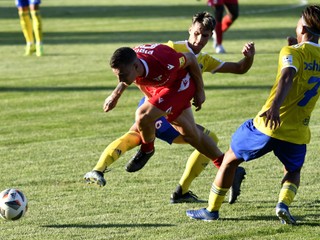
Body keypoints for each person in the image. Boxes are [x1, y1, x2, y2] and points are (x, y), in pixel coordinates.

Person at [84, 12, 255, 204]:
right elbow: (132, 70)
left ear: (211, 36)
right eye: (197, 33)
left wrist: (248, 58)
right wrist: (115, 94)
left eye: (205, 35)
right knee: (148, 130)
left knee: (149, 131)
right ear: (190, 30)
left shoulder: (204, 60)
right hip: (157, 100)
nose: (199, 39)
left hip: (171, 101)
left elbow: (239, 68)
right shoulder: (171, 49)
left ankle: (189, 183)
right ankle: (222, 170)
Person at [186, 5, 320, 224]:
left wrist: (275, 107)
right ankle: (283, 205)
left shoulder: (292, 53)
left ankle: (212, 210)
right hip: (297, 130)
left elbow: (287, 77)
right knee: (293, 169)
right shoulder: (306, 53)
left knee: (229, 159)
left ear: (303, 28)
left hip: (267, 124)